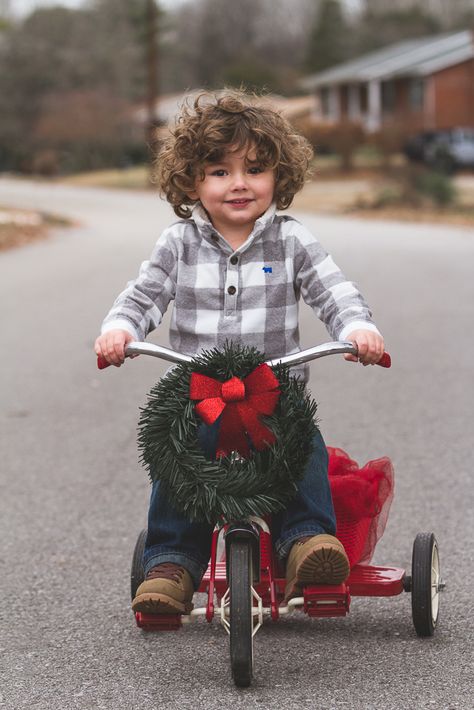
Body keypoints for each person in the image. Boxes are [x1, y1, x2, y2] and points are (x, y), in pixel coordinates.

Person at [95, 90, 385, 614]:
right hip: (200, 397)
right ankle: (172, 564)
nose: (239, 184)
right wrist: (119, 329)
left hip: (274, 392)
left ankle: (306, 542)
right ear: (191, 181)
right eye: (218, 171)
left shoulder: (292, 242)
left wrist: (358, 327)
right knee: (177, 458)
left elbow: (334, 290)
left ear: (279, 176)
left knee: (300, 446)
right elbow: (143, 296)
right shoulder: (177, 244)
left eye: (254, 169)